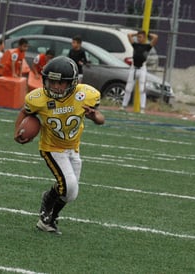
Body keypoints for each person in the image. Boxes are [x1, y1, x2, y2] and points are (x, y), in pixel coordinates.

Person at [14, 56, 105, 234]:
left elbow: (101, 119)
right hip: (51, 148)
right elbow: (24, 112)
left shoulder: (85, 95)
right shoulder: (38, 98)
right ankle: (48, 208)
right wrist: (18, 130)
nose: (55, 87)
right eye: (52, 81)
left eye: (61, 83)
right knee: (68, 186)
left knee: (70, 193)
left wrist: (95, 117)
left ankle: (47, 218)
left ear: (72, 83)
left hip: (73, 147)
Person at [121, 30, 158, 113]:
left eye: (140, 37)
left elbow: (155, 37)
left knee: (142, 89)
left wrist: (147, 34)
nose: (138, 38)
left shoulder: (147, 46)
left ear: (144, 38)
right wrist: (137, 33)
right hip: (134, 68)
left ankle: (142, 108)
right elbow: (129, 35)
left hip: (142, 69)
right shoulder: (135, 45)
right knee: (128, 88)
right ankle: (124, 106)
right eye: (138, 37)